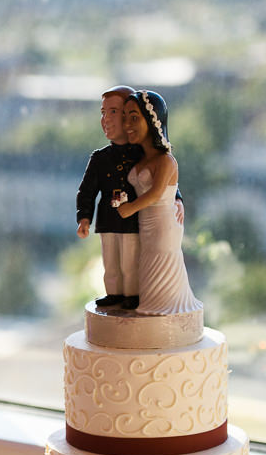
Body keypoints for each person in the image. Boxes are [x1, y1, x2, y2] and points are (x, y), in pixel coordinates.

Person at [113, 90, 201, 316]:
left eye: (134, 117)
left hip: (163, 224)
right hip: (146, 224)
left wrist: (129, 208)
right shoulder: (138, 158)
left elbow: (156, 193)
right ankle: (150, 306)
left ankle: (166, 308)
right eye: (125, 118)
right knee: (148, 261)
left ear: (153, 121)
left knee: (162, 259)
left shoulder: (166, 160)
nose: (127, 124)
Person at [75, 85, 144, 308]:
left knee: (130, 262)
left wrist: (177, 200)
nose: (106, 119)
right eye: (103, 112)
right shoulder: (99, 158)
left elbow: (164, 181)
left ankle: (132, 295)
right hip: (107, 220)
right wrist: (84, 218)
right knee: (111, 263)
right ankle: (114, 294)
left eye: (112, 111)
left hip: (133, 220)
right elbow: (87, 191)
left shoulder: (144, 154)